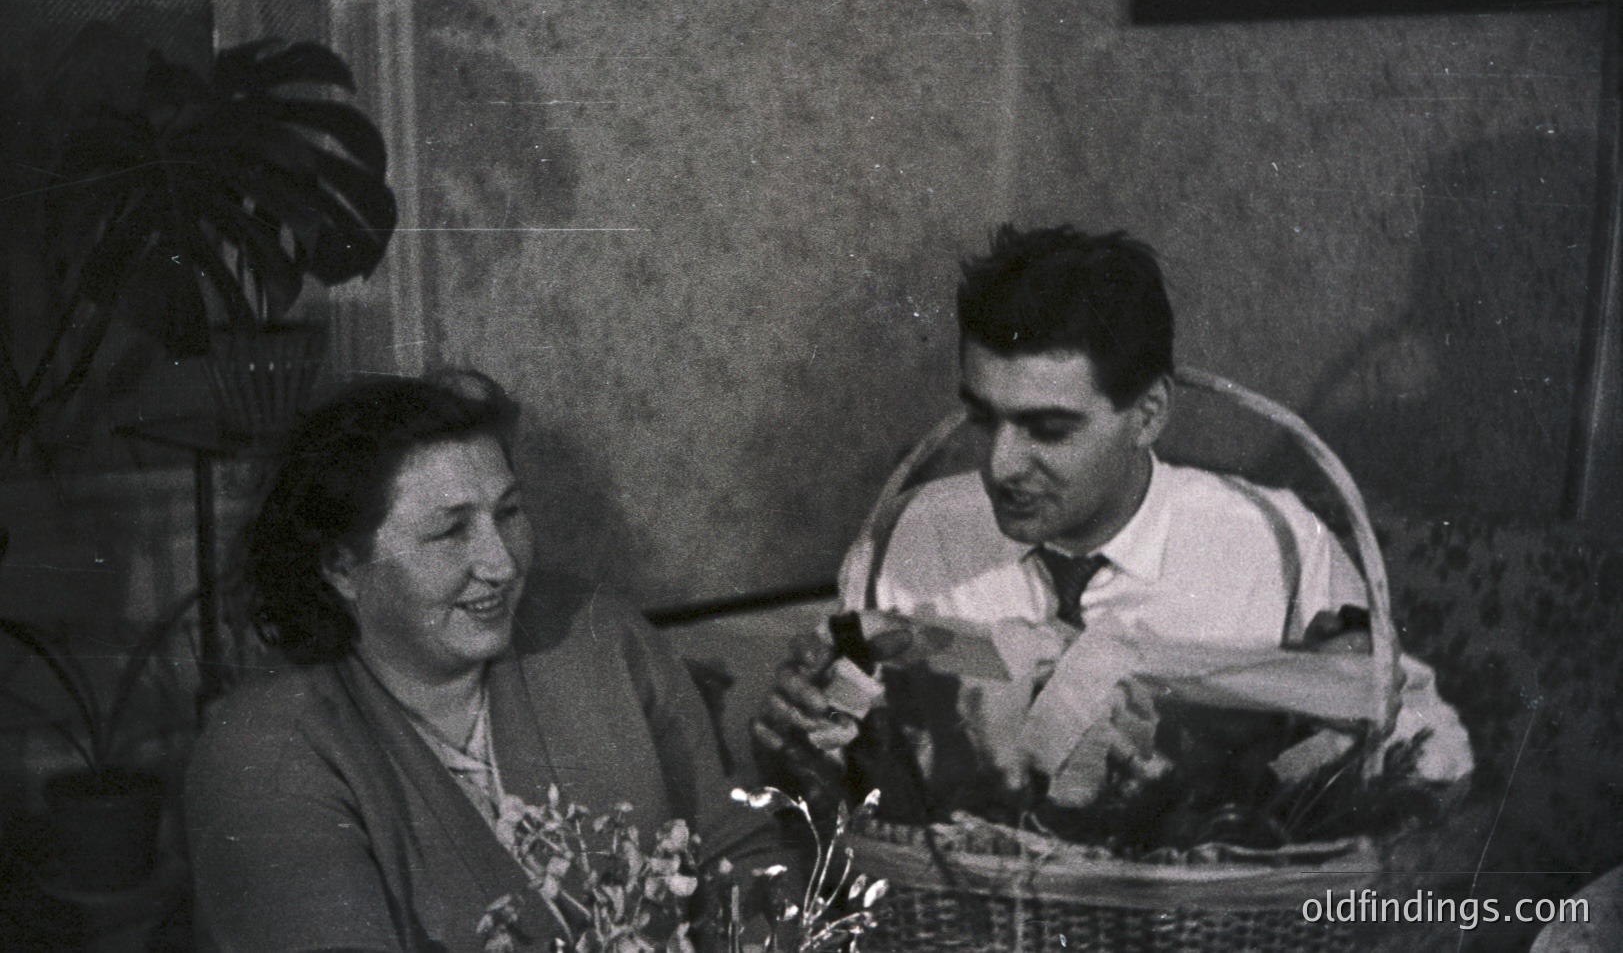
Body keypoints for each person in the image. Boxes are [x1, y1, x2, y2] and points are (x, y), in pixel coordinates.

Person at [755, 224, 1469, 794]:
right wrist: (799, 743)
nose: (999, 465)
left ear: (1148, 413)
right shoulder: (912, 530)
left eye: (1049, 429)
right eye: (983, 416)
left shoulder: (1277, 544)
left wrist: (1231, 761)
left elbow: (1436, 755)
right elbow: (837, 786)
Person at [186, 372, 781, 953]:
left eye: (509, 513)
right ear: (342, 569)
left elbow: (739, 851)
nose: (500, 563)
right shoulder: (262, 757)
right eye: (451, 532)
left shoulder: (596, 634)